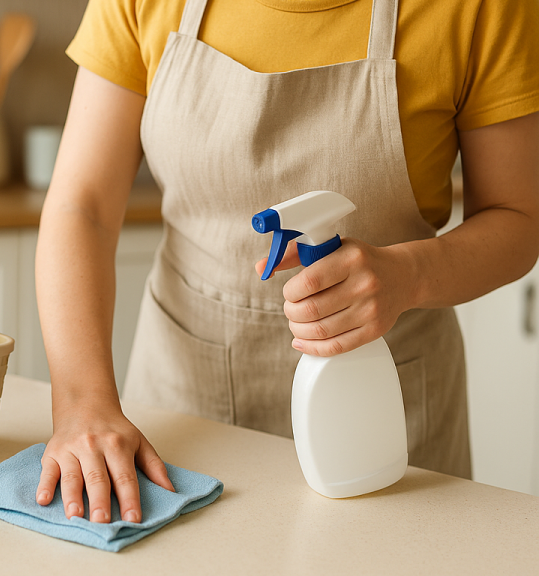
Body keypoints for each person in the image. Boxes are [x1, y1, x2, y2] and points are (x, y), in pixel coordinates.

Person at [34, 0, 539, 524]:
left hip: (384, 419)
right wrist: (82, 403)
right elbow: (82, 207)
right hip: (184, 410)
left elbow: (518, 218)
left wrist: (408, 276)